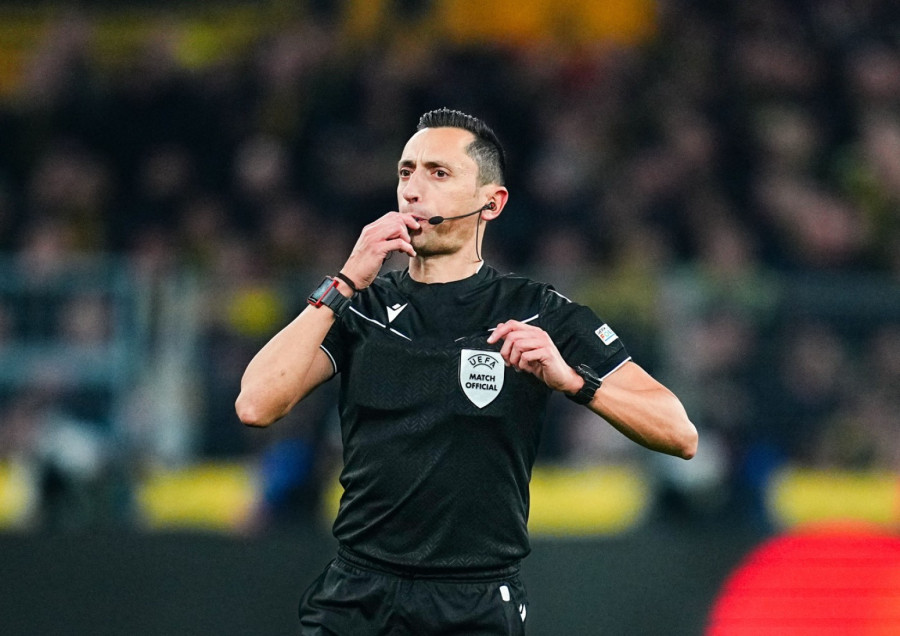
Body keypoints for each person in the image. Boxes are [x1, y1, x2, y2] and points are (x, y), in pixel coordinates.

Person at [235, 107, 698, 635]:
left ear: (491, 203)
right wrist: (342, 283)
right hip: (357, 597)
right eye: (406, 172)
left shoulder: (538, 312)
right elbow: (255, 404)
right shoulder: (360, 306)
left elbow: (679, 433)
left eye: (438, 173)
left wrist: (574, 381)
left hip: (474, 604)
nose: (413, 190)